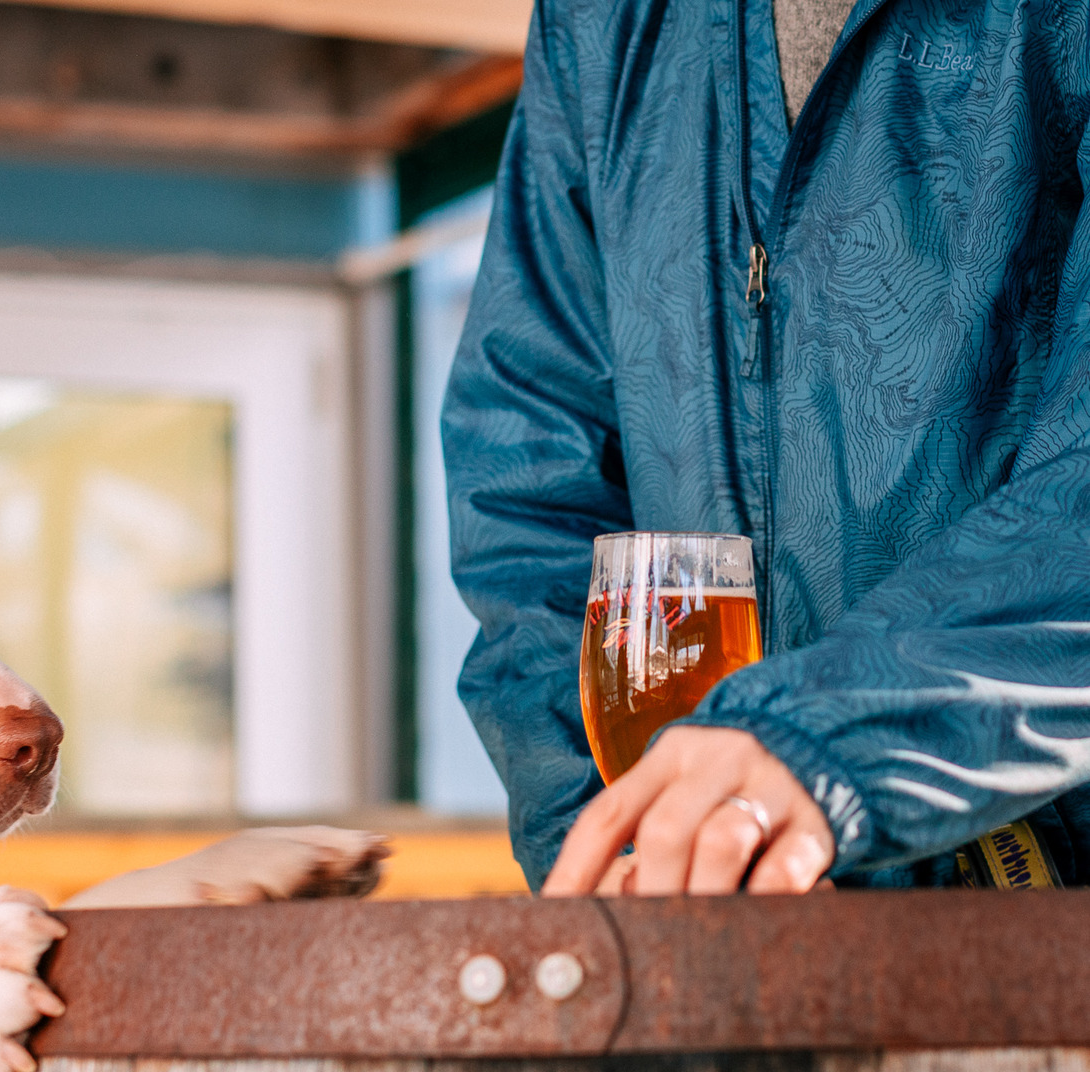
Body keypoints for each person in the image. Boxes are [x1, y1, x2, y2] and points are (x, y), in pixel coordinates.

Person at [442, 0, 1090, 896]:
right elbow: (523, 479)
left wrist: (820, 740)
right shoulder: (597, 23)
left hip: (1046, 931)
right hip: (732, 949)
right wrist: (615, 847)